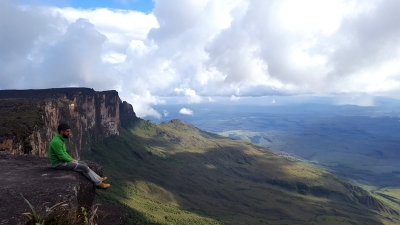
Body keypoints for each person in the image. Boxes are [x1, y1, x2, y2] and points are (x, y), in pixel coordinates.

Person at [48, 123, 110, 189]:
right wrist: (71, 161)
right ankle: (99, 184)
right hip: (59, 164)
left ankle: (98, 178)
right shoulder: (56, 142)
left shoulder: (60, 139)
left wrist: (71, 158)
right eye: (67, 131)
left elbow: (64, 153)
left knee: (83, 163)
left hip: (62, 161)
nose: (69, 133)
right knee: (82, 167)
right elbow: (61, 157)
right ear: (61, 131)